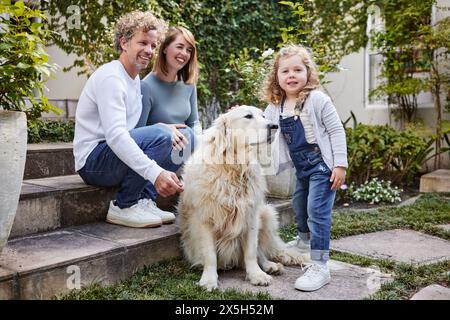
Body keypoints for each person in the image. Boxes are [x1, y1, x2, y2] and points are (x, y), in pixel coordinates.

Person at [73, 11, 184, 229]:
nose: (149, 51)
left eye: (153, 45)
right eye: (142, 43)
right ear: (124, 43)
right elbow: (116, 136)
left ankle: (145, 198)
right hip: (93, 163)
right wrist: (156, 172)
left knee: (181, 136)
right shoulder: (112, 77)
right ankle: (125, 205)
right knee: (161, 136)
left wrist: (161, 128)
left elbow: (132, 132)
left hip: (109, 157)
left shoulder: (134, 80)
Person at [262, 45, 348, 292]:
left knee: (317, 212)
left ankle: (320, 265)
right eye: (285, 71)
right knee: (299, 205)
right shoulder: (275, 106)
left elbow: (336, 130)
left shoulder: (317, 99)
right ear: (276, 76)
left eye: (297, 70)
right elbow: (263, 124)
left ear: (307, 73)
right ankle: (303, 241)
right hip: (302, 169)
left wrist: (340, 164)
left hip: (323, 166)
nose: (291, 75)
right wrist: (243, 115)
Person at [137, 26, 201, 158]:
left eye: (189, 50)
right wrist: (164, 129)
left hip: (187, 153)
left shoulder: (189, 84)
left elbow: (194, 123)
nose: (184, 53)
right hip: (158, 157)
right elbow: (138, 134)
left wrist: (199, 149)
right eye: (179, 47)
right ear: (165, 48)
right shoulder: (146, 86)